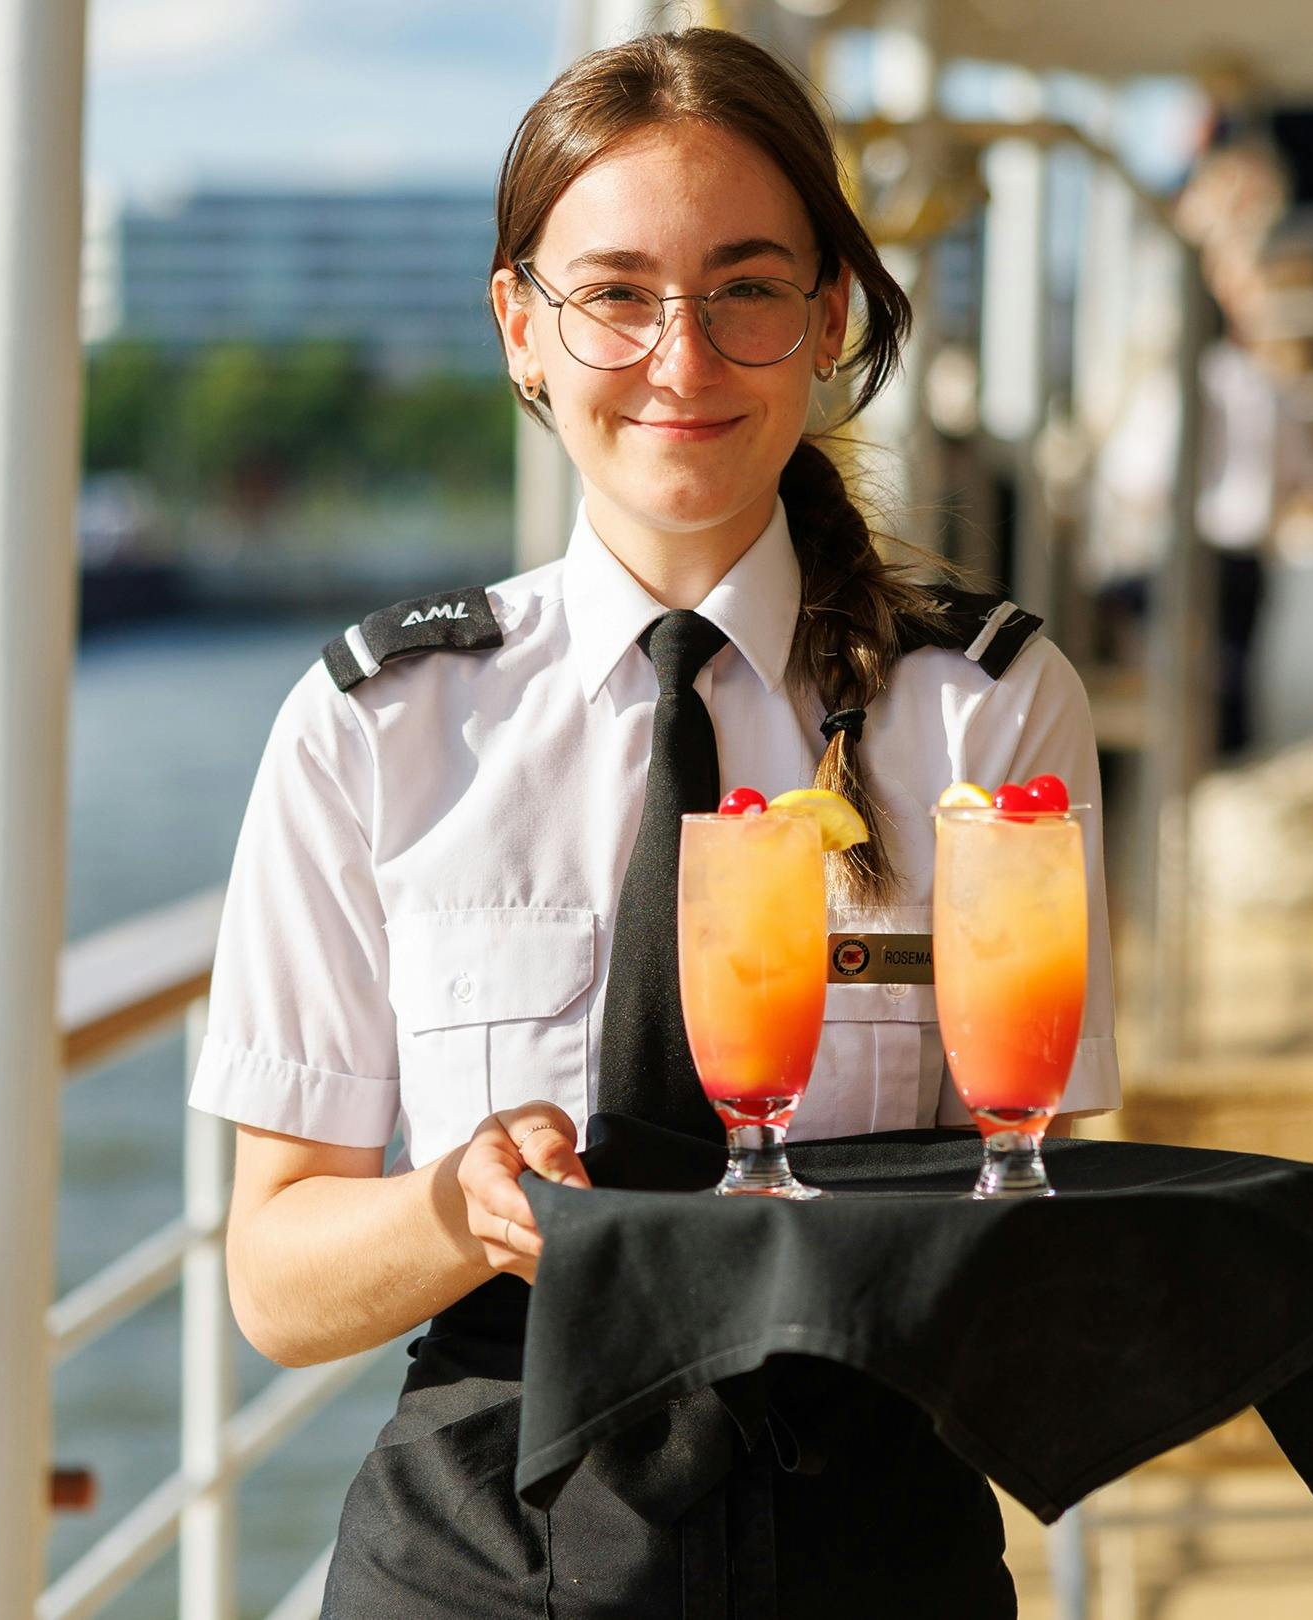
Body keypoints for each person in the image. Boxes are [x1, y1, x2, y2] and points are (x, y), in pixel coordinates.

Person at [188, 29, 1118, 1615]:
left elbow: (1034, 1207)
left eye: (746, 290)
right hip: (482, 1551)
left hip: (863, 1548)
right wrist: (457, 1206)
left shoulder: (985, 717)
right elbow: (275, 1282)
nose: (680, 362)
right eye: (615, 295)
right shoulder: (374, 728)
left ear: (827, 319)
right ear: (521, 330)